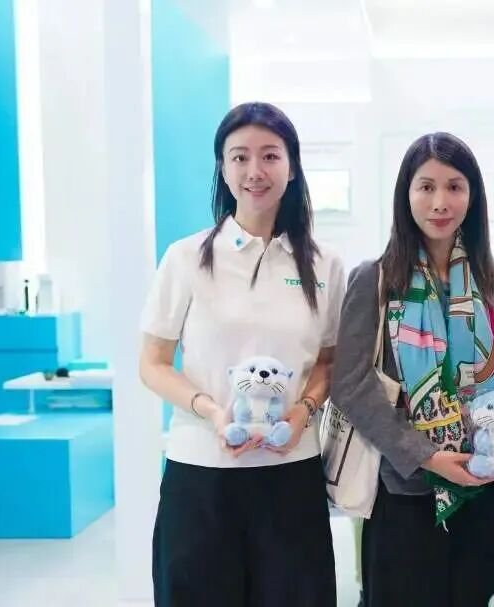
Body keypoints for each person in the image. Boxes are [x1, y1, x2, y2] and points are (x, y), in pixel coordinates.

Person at [138, 102, 344, 606]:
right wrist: (211, 411)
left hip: (291, 472)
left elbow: (328, 362)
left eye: (270, 156)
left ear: (292, 168)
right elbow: (153, 363)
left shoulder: (325, 265)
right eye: (240, 157)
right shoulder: (186, 258)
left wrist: (303, 411)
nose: (255, 171)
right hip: (200, 474)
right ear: (223, 168)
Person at [331, 132, 494, 607]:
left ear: (473, 195)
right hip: (404, 490)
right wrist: (426, 456)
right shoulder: (376, 278)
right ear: (406, 194)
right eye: (426, 187)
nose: (440, 202)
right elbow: (351, 384)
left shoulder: (491, 275)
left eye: (454, 186)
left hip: (481, 479)